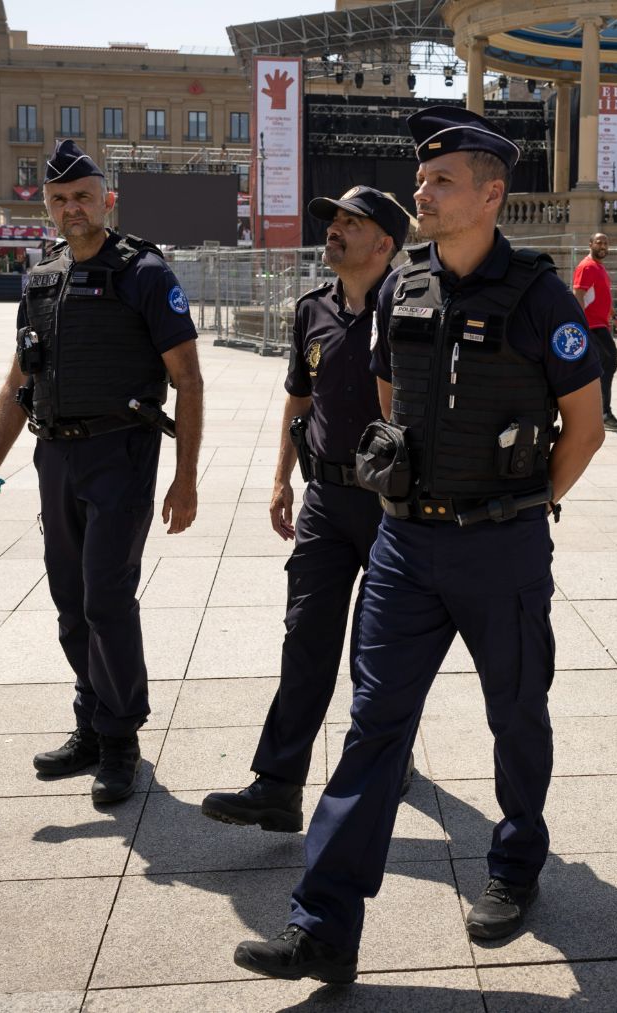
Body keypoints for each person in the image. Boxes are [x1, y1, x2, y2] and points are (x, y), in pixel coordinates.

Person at [233, 106, 606, 984]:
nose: (422, 192)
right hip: (405, 544)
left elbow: (584, 427)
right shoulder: (404, 286)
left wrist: (524, 507)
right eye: (421, 179)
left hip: (501, 548)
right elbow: (393, 394)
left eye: (441, 181)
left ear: (489, 194)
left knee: (516, 717)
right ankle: (323, 926)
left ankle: (514, 867)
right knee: (373, 730)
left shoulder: (542, 296)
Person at [0, 139, 205, 804]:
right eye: (60, 199)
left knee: (106, 599)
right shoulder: (42, 277)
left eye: (84, 196)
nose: (73, 208)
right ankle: (91, 724)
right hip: (55, 457)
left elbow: (188, 379)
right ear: (47, 205)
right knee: (71, 604)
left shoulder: (145, 274)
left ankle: (121, 738)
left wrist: (185, 480)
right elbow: (18, 381)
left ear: (107, 200)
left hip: (121, 455)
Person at [202, 185, 414, 832]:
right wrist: (280, 480)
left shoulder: (408, 310)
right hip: (323, 499)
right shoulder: (311, 309)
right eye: (334, 222)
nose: (335, 231)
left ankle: (386, 756)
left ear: (384, 243)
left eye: (351, 224)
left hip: (388, 506)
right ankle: (278, 783)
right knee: (306, 637)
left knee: (377, 650)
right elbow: (299, 400)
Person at [572, 231, 617, 430]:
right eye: (599, 242)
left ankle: (597, 412)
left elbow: (602, 299)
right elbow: (578, 295)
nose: (603, 245)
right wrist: (582, 326)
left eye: (605, 242)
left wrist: (614, 317)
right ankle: (603, 413)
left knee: (601, 368)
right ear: (590, 244)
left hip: (600, 325)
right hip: (592, 327)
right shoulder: (587, 267)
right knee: (608, 364)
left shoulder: (599, 268)